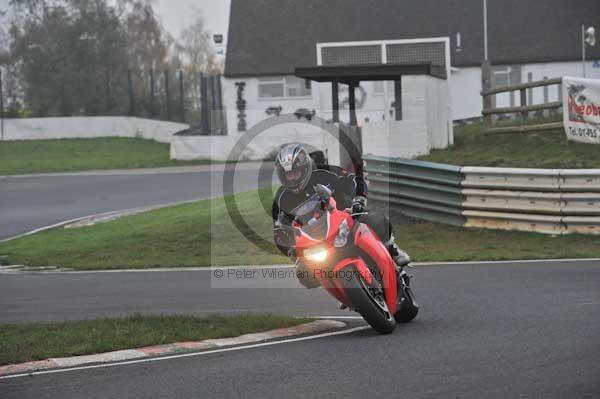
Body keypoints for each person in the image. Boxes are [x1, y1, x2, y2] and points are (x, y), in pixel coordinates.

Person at [272, 143, 410, 289]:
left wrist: (359, 198)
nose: (292, 179)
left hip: (346, 217)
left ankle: (393, 251)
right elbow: (278, 231)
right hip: (316, 238)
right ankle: (341, 288)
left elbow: (354, 180)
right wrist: (290, 249)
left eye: (295, 173)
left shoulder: (325, 173)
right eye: (288, 175)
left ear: (305, 168)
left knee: (376, 220)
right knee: (305, 275)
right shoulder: (280, 199)